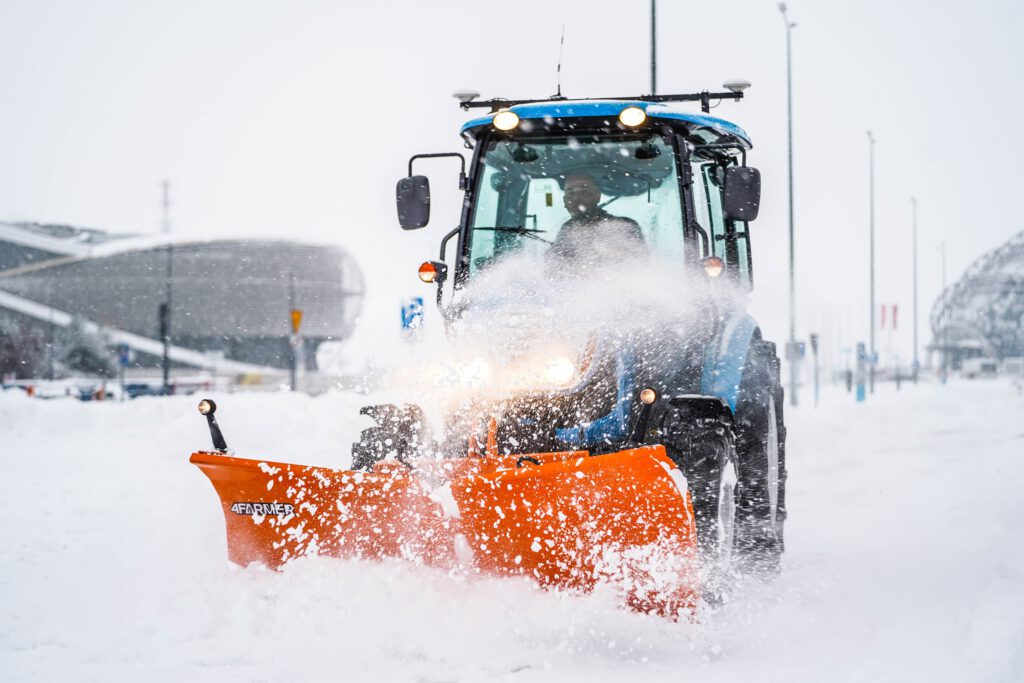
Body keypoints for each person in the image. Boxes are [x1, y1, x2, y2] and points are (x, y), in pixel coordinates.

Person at [547, 172, 646, 264]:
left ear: (597, 196)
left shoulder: (625, 226)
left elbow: (640, 265)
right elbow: (553, 270)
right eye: (570, 193)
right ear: (565, 201)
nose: (576, 197)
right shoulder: (566, 231)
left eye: (584, 191)